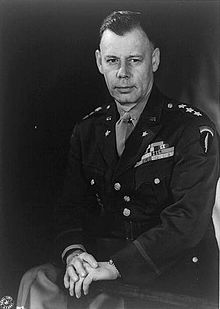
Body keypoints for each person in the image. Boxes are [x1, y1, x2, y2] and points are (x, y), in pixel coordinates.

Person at [16, 11, 219, 309]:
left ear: (155, 60)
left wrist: (112, 267)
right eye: (112, 61)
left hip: (176, 282)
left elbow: (186, 223)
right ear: (100, 62)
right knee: (35, 282)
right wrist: (75, 255)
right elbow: (69, 209)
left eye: (134, 60)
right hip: (104, 274)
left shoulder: (191, 129)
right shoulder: (88, 130)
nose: (122, 72)